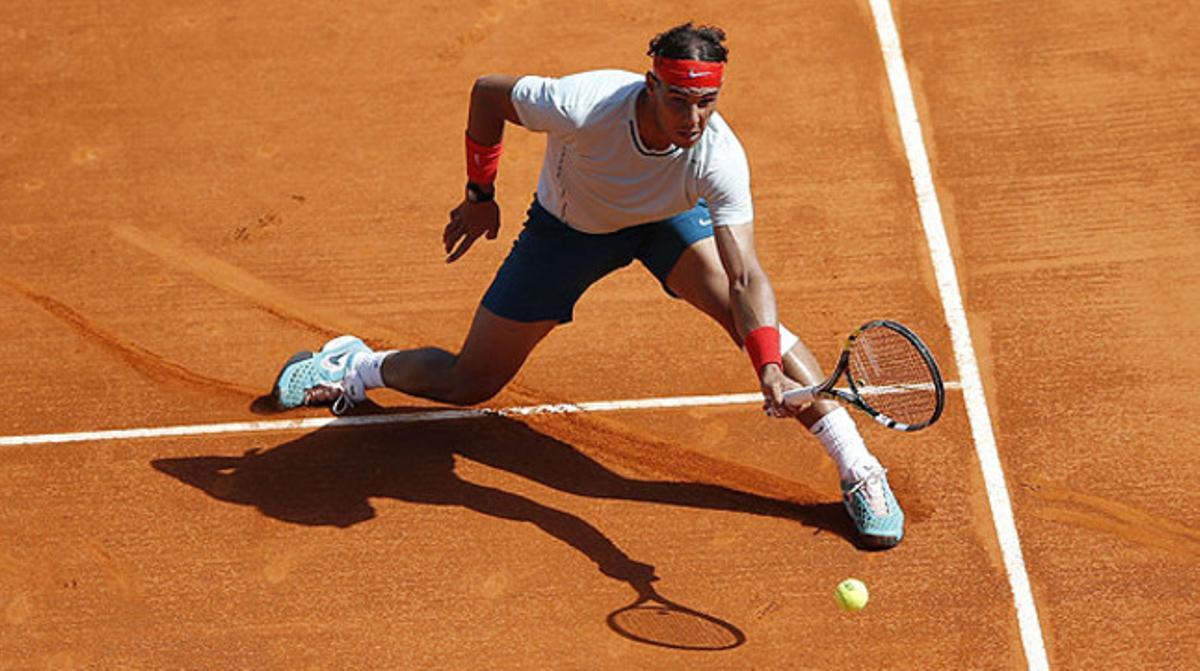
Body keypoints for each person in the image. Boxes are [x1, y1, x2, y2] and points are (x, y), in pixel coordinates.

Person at [271, 23, 904, 548]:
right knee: (470, 382)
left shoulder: (718, 154)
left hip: (666, 224)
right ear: (651, 84)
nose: (694, 118)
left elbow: (745, 275)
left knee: (753, 326)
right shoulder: (583, 103)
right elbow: (488, 94)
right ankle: (355, 367)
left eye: (706, 103)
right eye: (679, 100)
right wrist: (480, 194)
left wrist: (767, 365)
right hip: (566, 232)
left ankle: (859, 467)